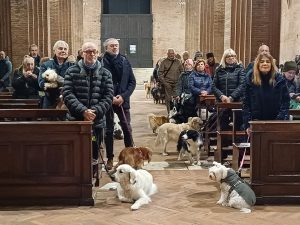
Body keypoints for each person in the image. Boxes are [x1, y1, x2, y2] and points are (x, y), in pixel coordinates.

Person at [62, 42, 114, 167]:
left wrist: (94, 112)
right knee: (75, 151)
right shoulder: (72, 71)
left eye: (94, 51)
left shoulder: (105, 73)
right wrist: (83, 111)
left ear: (97, 53)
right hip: (76, 120)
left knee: (93, 151)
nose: (91, 54)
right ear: (82, 53)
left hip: (96, 121)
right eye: (88, 51)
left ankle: (91, 177)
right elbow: (68, 94)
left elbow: (108, 96)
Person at [101, 38, 136, 170]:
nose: (115, 48)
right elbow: (100, 83)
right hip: (107, 101)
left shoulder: (125, 60)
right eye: (112, 46)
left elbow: (132, 82)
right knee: (109, 130)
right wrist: (110, 98)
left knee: (127, 128)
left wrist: (123, 96)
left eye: (116, 45)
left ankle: (129, 157)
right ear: (106, 48)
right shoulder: (101, 62)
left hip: (123, 100)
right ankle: (110, 158)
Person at [243, 52, 290, 136]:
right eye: (262, 61)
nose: (265, 64)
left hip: (275, 122)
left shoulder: (279, 79)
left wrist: (280, 119)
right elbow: (246, 103)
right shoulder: (250, 79)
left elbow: (285, 101)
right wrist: (247, 124)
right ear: (257, 64)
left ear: (271, 64)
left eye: (268, 62)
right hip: (256, 122)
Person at [212, 48, 245, 130]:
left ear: (236, 57)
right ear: (224, 58)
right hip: (222, 103)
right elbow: (213, 86)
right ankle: (223, 142)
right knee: (223, 126)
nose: (231, 58)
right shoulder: (219, 70)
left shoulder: (240, 69)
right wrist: (221, 96)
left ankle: (237, 142)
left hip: (237, 102)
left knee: (237, 126)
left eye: (233, 56)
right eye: (228, 56)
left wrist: (231, 97)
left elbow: (242, 85)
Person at [38, 40, 74, 108]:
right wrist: (62, 83)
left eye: (65, 49)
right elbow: (41, 83)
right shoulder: (45, 65)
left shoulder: (73, 66)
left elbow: (75, 83)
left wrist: (55, 78)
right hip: (49, 100)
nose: (63, 51)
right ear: (54, 51)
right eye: (60, 48)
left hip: (67, 101)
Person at [158, 48, 184, 113]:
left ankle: (176, 113)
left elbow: (182, 71)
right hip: (168, 83)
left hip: (176, 84)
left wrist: (180, 81)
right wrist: (164, 82)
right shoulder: (164, 62)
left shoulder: (178, 62)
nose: (171, 55)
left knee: (177, 99)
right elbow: (160, 73)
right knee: (169, 99)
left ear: (174, 54)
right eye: (170, 53)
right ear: (167, 54)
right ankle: (170, 113)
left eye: (172, 53)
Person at [171, 58, 196, 123]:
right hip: (184, 95)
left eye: (190, 64)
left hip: (193, 95)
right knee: (179, 103)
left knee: (190, 103)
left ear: (193, 65)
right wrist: (178, 95)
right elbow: (179, 86)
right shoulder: (182, 75)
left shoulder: (196, 74)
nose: (188, 66)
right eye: (186, 64)